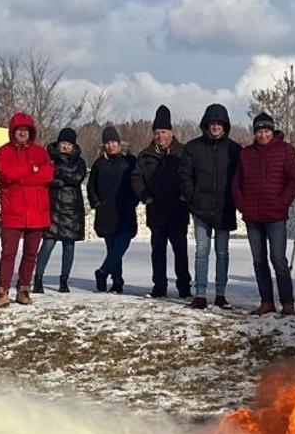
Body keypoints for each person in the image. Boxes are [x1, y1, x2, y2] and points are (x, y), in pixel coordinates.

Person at [232, 112, 295, 316]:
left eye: (266, 131)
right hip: (253, 216)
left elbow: (294, 180)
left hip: (276, 216)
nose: (263, 135)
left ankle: (287, 302)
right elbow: (236, 183)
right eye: (259, 131)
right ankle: (267, 301)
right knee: (259, 260)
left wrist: (282, 203)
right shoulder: (246, 153)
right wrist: (242, 205)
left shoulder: (286, 150)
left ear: (272, 131)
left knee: (278, 259)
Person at [0, 112, 52, 308]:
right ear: (12, 132)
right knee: (8, 254)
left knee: (31, 254)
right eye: (19, 130)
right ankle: (2, 291)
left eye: (26, 130)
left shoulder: (41, 152)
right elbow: (7, 174)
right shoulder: (3, 152)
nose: (22, 133)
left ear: (31, 132)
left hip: (37, 212)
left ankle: (24, 289)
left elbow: (48, 175)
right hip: (13, 212)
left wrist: (24, 175)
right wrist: (32, 170)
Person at [183, 104, 240, 309]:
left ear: (225, 125)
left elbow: (239, 178)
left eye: (219, 123)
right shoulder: (193, 147)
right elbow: (185, 176)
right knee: (202, 251)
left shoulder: (234, 149)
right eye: (212, 123)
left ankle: (221, 294)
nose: (215, 126)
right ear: (206, 124)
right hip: (201, 207)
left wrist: (236, 200)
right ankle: (199, 294)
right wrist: (192, 198)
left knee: (222, 252)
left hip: (225, 207)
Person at [133, 105, 191, 299]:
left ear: (171, 132)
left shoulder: (183, 153)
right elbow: (136, 178)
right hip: (156, 210)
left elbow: (192, 176)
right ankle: (159, 286)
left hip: (178, 210)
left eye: (164, 132)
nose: (160, 136)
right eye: (157, 132)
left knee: (180, 252)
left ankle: (184, 287)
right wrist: (145, 197)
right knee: (157, 252)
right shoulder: (145, 155)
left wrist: (185, 196)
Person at [36, 127, 87, 293]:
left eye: (69, 144)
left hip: (72, 209)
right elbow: (45, 177)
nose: (65, 146)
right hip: (52, 206)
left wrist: (59, 175)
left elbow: (77, 178)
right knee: (48, 243)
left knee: (69, 245)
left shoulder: (79, 162)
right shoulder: (48, 158)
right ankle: (38, 278)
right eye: (63, 143)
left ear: (73, 146)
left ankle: (64, 280)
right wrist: (56, 179)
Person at [87, 126, 139, 293]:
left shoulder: (129, 161)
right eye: (107, 143)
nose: (111, 145)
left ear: (119, 143)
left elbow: (137, 182)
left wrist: (134, 200)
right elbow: (91, 186)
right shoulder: (99, 163)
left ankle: (102, 272)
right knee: (112, 249)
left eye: (113, 142)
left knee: (121, 244)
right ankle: (117, 282)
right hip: (106, 212)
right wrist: (96, 202)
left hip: (125, 211)